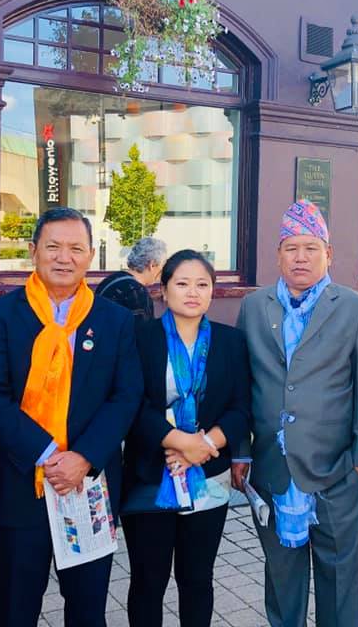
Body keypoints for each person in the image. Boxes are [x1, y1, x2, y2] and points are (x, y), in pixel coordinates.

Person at [0, 207, 144, 627]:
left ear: (90, 256)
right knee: (17, 612)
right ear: (33, 251)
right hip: (18, 485)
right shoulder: (0, 315)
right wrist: (49, 454)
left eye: (76, 248)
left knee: (87, 611)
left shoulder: (115, 320)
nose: (64, 258)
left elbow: (126, 395)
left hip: (88, 486)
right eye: (53, 246)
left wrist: (83, 457)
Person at [232, 199, 358, 627]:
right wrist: (240, 451)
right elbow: (241, 385)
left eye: (311, 248)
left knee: (339, 583)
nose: (301, 257)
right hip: (273, 470)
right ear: (277, 254)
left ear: (328, 254)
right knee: (282, 583)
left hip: (337, 471)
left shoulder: (353, 308)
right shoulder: (254, 306)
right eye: (291, 248)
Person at [122, 249, 251, 627]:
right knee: (148, 581)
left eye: (202, 284)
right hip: (150, 474)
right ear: (163, 290)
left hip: (208, 477)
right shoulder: (140, 338)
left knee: (197, 579)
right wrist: (180, 442)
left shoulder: (231, 342)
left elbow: (242, 409)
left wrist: (204, 447)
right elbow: (131, 404)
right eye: (182, 283)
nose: (192, 292)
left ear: (212, 291)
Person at [96, 236, 166, 324]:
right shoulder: (138, 293)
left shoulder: (111, 279)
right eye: (162, 265)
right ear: (152, 265)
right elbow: (144, 330)